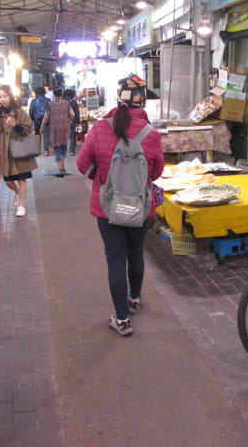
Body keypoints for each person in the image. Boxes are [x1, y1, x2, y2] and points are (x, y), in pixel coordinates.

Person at [76, 101, 164, 337]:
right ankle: (135, 299)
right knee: (136, 252)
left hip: (108, 209)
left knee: (116, 260)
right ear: (142, 107)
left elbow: (81, 165)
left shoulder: (97, 129)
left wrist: (105, 182)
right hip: (141, 207)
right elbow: (156, 172)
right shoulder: (152, 134)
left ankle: (122, 320)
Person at [0, 85, 37, 217]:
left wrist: (15, 125)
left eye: (4, 96)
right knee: (7, 180)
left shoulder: (19, 112)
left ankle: (22, 205)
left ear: (10, 96)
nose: (2, 99)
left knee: (22, 180)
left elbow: (28, 129)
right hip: (6, 152)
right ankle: (17, 193)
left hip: (19, 149)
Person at [41, 87, 74, 177]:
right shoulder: (66, 103)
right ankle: (63, 167)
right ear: (61, 94)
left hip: (55, 129)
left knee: (57, 148)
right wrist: (69, 120)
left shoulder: (50, 104)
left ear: (54, 95)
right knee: (64, 146)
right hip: (65, 128)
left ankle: (60, 169)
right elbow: (72, 114)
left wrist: (42, 126)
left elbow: (46, 116)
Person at [29, 86, 50, 155]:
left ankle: (37, 150)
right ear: (44, 92)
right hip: (46, 119)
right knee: (46, 134)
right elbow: (51, 111)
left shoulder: (33, 101)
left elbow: (31, 111)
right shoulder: (48, 100)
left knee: (37, 134)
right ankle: (46, 150)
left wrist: (33, 118)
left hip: (37, 119)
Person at [63, 89, 81, 156]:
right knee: (72, 135)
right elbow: (77, 112)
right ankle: (72, 151)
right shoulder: (74, 102)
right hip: (71, 120)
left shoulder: (61, 101)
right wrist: (78, 122)